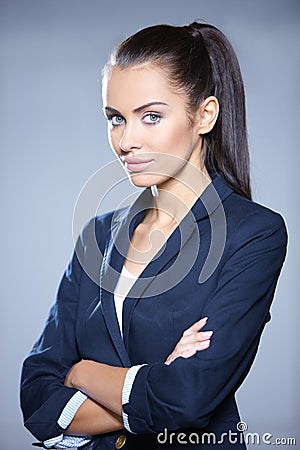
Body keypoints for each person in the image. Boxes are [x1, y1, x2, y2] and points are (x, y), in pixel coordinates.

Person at [20, 21, 287, 450]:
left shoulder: (254, 233)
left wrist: (81, 373)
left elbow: (188, 399)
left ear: (205, 115)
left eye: (151, 116)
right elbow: (35, 395)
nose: (127, 140)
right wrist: (151, 382)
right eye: (115, 119)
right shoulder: (98, 235)